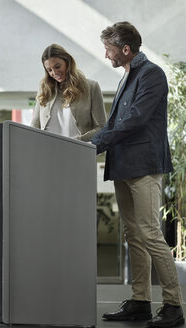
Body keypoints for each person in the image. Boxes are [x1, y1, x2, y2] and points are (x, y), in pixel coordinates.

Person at [91, 22, 183, 328]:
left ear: (125, 49)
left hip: (144, 166)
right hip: (122, 165)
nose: (106, 55)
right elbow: (116, 121)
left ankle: (173, 305)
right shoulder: (128, 76)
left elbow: (135, 120)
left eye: (109, 49)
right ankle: (140, 301)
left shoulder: (151, 74)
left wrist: (98, 143)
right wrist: (87, 143)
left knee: (150, 233)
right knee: (134, 235)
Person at [30, 44, 106, 141]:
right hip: (47, 151)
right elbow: (35, 124)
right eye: (49, 70)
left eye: (57, 66)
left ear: (67, 61)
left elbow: (101, 127)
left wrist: (78, 142)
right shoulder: (44, 89)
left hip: (78, 152)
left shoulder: (91, 87)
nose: (54, 73)